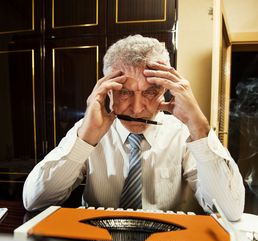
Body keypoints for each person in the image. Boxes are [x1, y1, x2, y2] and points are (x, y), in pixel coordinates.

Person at [23, 34, 245, 221]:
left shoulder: (184, 132)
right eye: (124, 92)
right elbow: (34, 201)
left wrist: (199, 127)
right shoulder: (89, 129)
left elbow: (230, 212)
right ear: (107, 89)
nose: (137, 109)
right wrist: (85, 139)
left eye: (150, 92)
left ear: (167, 90)